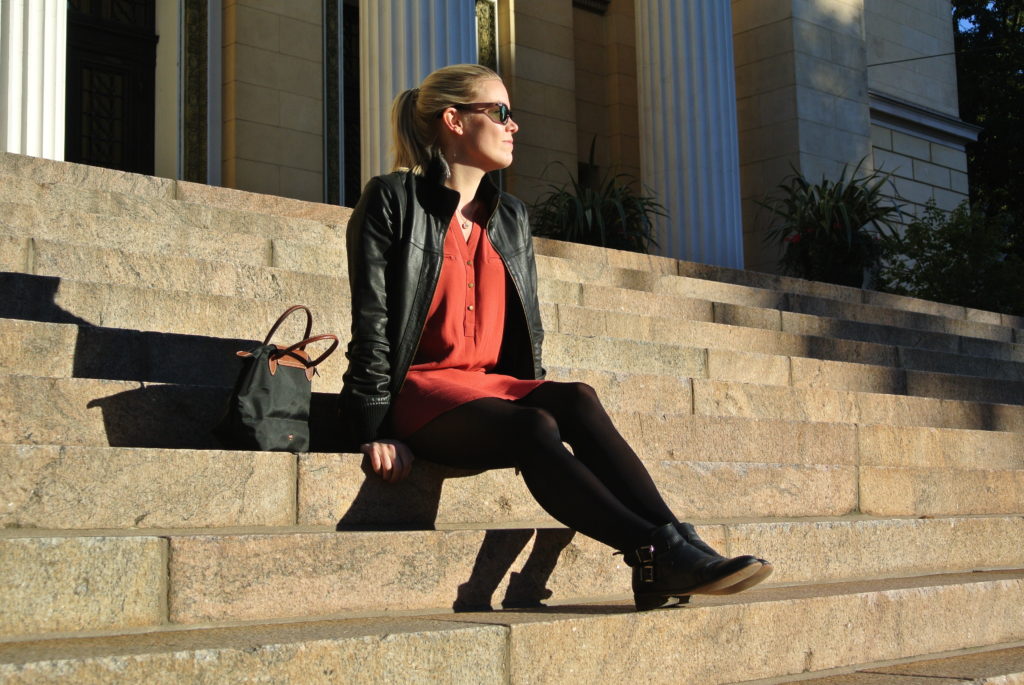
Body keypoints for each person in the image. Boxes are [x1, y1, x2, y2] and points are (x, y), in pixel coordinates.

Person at [339, 63, 772, 611]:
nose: (513, 124)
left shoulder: (511, 217)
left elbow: (527, 335)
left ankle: (680, 544)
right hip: (419, 391)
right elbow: (372, 322)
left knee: (575, 399)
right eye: (499, 112)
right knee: (533, 425)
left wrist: (534, 391)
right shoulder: (393, 200)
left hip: (488, 387)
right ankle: (654, 553)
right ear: (452, 120)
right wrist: (373, 429)